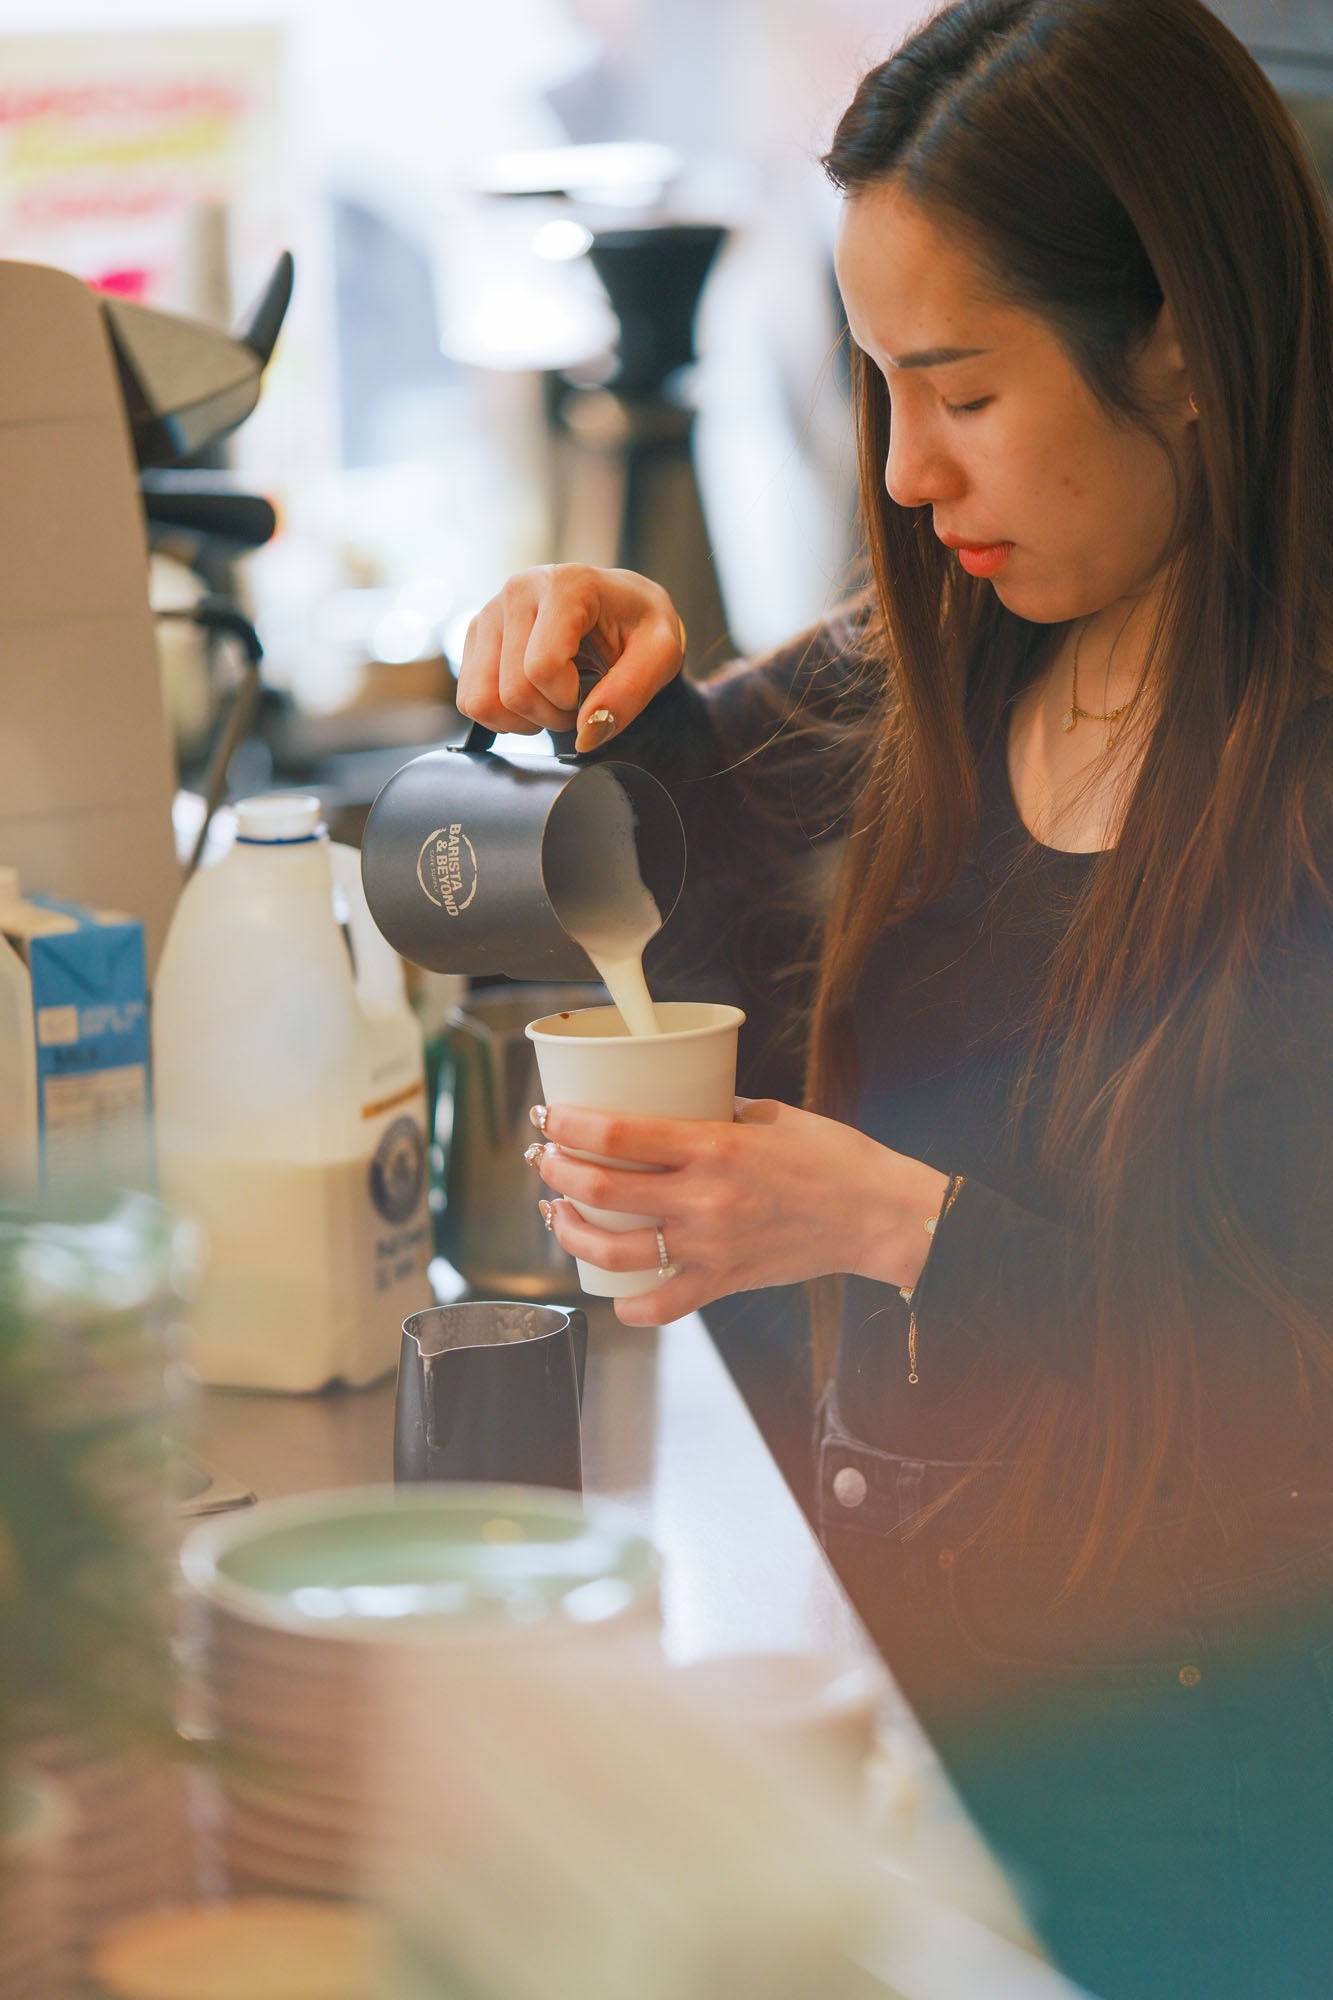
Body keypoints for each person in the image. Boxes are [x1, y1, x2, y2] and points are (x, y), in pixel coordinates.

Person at [455, 2, 1333, 1993]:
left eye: (958, 387)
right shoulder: (941, 657)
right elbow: (655, 891)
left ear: (1179, 348)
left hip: (1207, 1840)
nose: (906, 468)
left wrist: (888, 1225)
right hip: (906, 1730)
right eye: (873, 386)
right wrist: (594, 687)